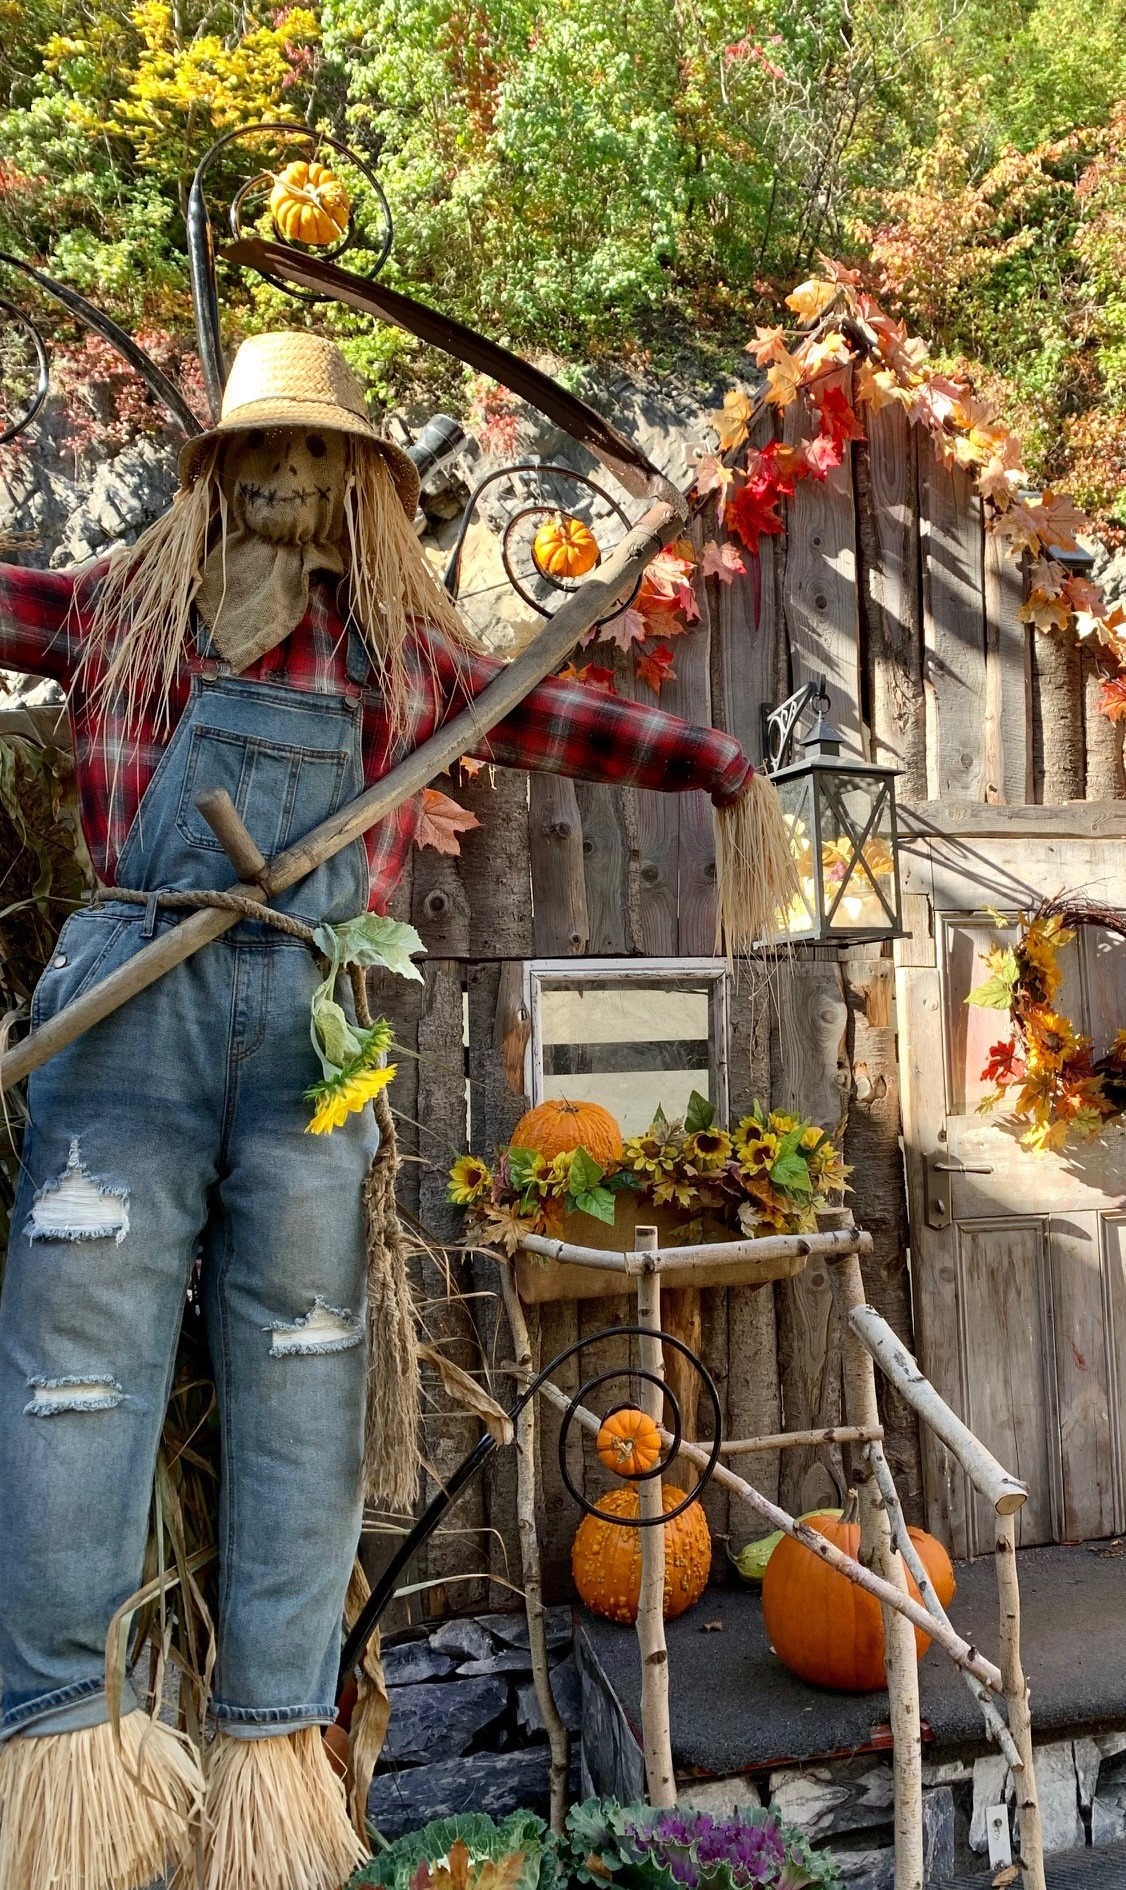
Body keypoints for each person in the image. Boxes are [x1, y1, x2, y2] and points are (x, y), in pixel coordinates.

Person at [0, 331, 783, 1890]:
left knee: (303, 1370)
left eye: (319, 455)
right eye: (264, 451)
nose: (289, 476)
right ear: (218, 475)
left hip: (313, 1032)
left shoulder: (398, 664)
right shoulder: (111, 616)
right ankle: (58, 1746)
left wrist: (719, 768)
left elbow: (555, 717)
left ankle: (272, 1759)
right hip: (128, 1010)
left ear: (362, 487)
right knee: (74, 1365)